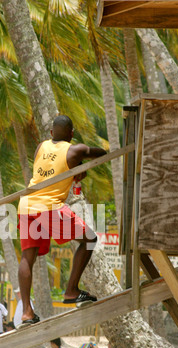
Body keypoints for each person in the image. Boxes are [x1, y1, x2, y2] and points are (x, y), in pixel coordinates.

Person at [17, 115, 107, 326]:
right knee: (90, 239)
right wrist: (80, 165)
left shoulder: (41, 146)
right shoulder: (74, 150)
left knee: (26, 258)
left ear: (51, 133)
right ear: (72, 134)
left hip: (27, 204)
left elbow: (53, 168)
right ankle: (71, 290)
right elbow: (101, 153)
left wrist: (74, 170)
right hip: (48, 206)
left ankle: (27, 312)